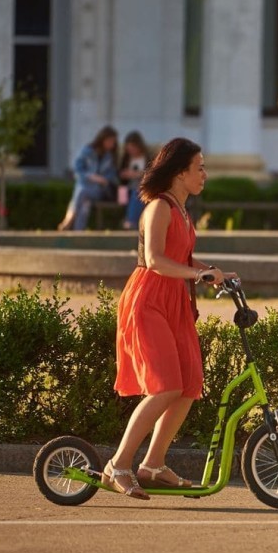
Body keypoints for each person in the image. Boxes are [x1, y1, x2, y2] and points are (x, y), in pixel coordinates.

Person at [104, 137, 235, 500]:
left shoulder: (181, 210)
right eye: (200, 167)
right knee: (165, 386)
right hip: (149, 300)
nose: (205, 174)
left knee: (189, 383)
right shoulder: (159, 207)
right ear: (180, 172)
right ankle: (119, 464)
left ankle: (154, 465)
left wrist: (213, 271)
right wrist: (197, 276)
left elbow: (182, 256)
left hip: (174, 301)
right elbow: (156, 259)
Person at [57, 126, 119, 231]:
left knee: (81, 191)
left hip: (100, 190)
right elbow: (77, 169)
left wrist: (102, 179)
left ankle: (69, 219)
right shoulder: (87, 151)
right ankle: (78, 233)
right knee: (85, 203)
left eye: (113, 142)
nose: (112, 144)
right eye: (110, 141)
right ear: (102, 139)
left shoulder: (110, 156)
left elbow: (112, 176)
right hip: (85, 185)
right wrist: (90, 176)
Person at [118, 131, 151, 230]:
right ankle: (133, 223)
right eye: (129, 149)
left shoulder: (146, 158)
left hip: (141, 189)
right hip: (124, 190)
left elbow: (150, 174)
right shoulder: (126, 158)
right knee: (133, 194)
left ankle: (130, 222)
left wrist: (137, 174)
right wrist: (125, 174)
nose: (131, 151)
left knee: (137, 193)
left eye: (133, 148)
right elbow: (120, 174)